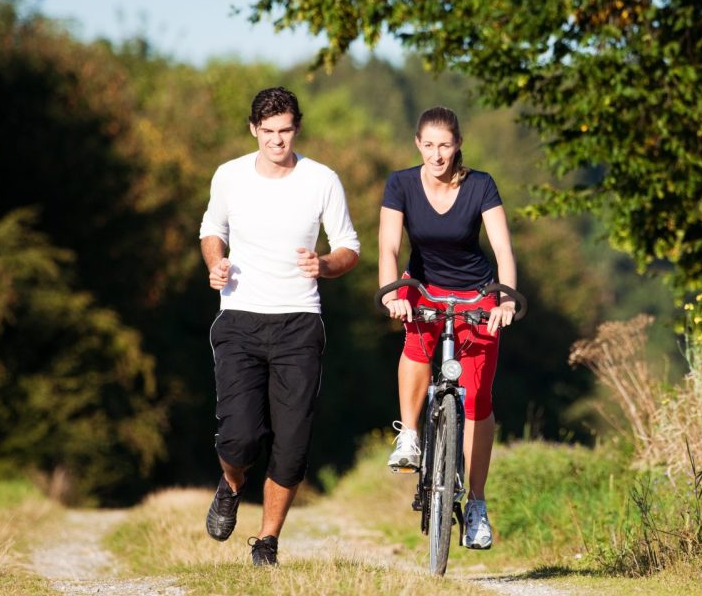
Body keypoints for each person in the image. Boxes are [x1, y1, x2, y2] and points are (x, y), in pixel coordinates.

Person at [199, 86, 360, 566]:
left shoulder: (322, 180)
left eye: (285, 131)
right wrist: (216, 262)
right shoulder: (229, 175)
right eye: (267, 132)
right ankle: (230, 485)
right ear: (254, 130)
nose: (276, 141)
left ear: (297, 127)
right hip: (240, 318)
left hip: (299, 322)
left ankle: (266, 543)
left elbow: (348, 246)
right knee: (240, 437)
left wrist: (325, 265)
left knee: (291, 448)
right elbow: (213, 229)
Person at [378, 106, 518, 551]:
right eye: (430, 145)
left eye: (446, 145)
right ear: (418, 144)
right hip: (423, 288)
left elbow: (502, 247)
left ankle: (476, 505)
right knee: (417, 348)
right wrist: (392, 291)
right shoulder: (400, 184)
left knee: (477, 397)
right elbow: (388, 245)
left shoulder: (480, 185)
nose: (438, 154)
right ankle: (411, 436)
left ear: (458, 145)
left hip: (476, 293)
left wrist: (506, 295)